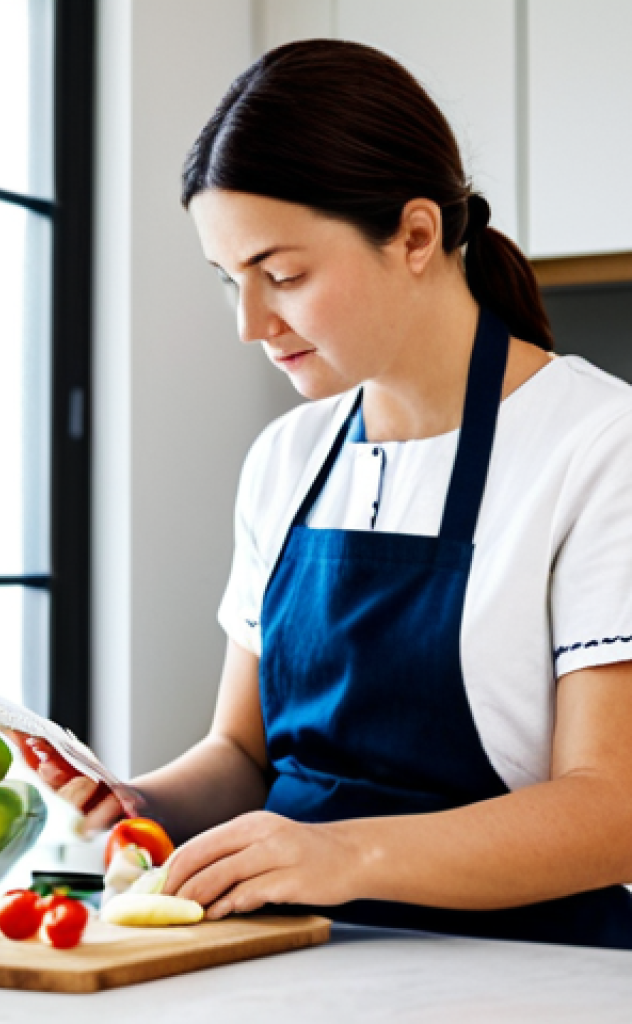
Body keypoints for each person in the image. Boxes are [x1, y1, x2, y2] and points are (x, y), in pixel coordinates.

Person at [56, 39, 632, 948]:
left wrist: (338, 856)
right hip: (295, 959)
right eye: (229, 283)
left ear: (414, 236)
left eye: (282, 276)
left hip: (533, 973)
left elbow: (611, 813)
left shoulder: (600, 447)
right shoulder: (287, 457)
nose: (251, 324)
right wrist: (138, 801)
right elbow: (243, 756)